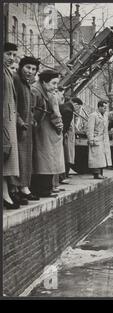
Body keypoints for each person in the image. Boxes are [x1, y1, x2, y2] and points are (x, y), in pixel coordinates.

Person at [10, 56, 41, 203]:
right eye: (28, 67)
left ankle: (23, 187)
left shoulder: (26, 83)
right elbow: (12, 104)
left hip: (26, 128)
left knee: (25, 158)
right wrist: (20, 121)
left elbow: (29, 107)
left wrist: (32, 119)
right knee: (18, 159)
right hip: (17, 127)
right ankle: (16, 189)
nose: (30, 71)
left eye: (33, 69)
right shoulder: (16, 80)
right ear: (21, 66)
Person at [31, 69, 65, 197]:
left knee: (44, 161)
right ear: (44, 82)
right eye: (53, 83)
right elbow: (55, 113)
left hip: (43, 129)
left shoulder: (43, 90)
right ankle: (44, 189)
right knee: (46, 160)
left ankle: (45, 188)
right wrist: (59, 126)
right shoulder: (40, 92)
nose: (55, 87)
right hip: (44, 130)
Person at [87, 100, 113, 179]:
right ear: (99, 107)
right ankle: (96, 174)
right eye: (104, 107)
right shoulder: (93, 115)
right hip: (96, 138)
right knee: (96, 157)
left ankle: (100, 173)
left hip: (103, 139)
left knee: (102, 157)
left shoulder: (105, 115)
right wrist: (91, 139)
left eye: (106, 107)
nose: (106, 109)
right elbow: (90, 129)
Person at [3, 42, 20, 209]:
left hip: (9, 123)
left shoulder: (7, 72)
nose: (12, 58)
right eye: (8, 54)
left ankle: (7, 192)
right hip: (4, 123)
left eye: (14, 55)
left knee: (7, 160)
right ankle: (5, 195)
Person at [59, 97, 83, 179]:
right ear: (75, 104)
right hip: (67, 138)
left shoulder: (71, 112)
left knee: (69, 156)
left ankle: (66, 173)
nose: (78, 109)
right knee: (66, 156)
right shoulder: (68, 111)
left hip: (70, 138)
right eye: (78, 107)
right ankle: (64, 174)